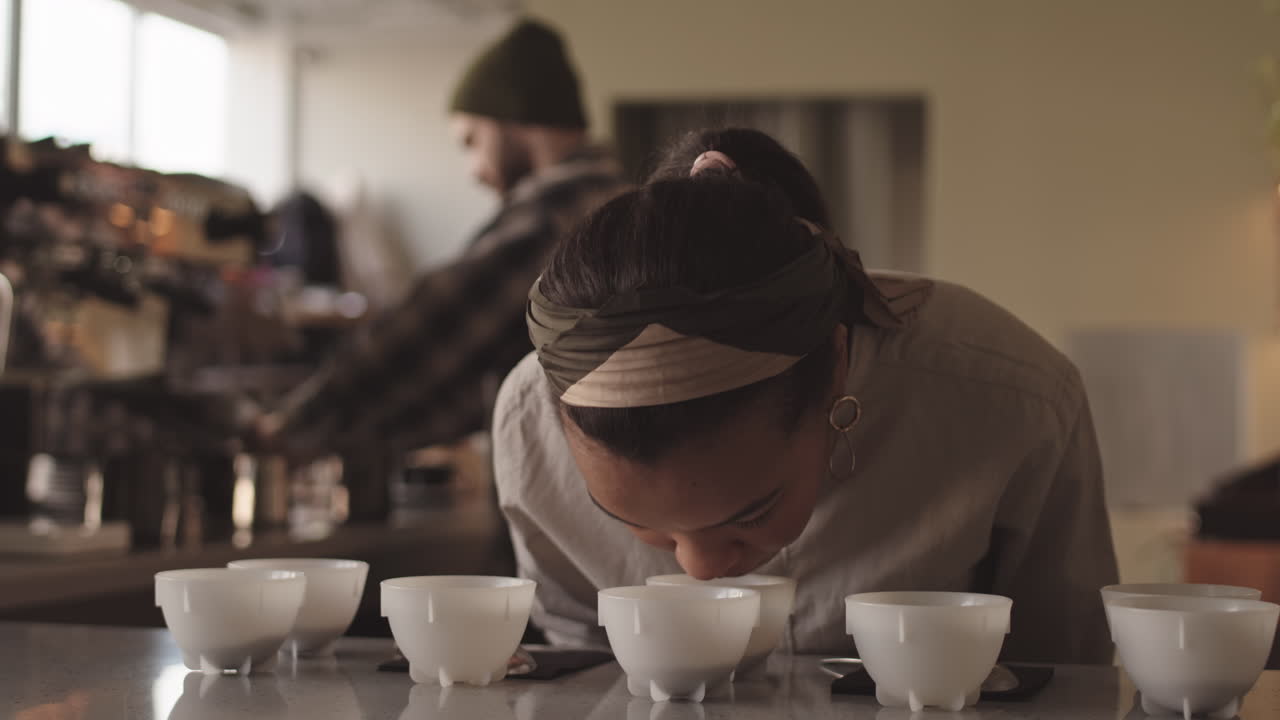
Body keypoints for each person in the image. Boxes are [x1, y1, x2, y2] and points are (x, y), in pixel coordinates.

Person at [493, 127, 1119, 664]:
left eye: (753, 512)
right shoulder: (531, 423)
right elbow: (584, 669)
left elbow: (1062, 673)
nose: (699, 568)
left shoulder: (1010, 396)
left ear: (837, 368)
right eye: (631, 521)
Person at [258, 19, 627, 456]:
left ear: (514, 119)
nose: (473, 170)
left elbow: (427, 333)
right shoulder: (610, 198)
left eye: (471, 141)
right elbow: (475, 385)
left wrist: (292, 424)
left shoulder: (561, 213)